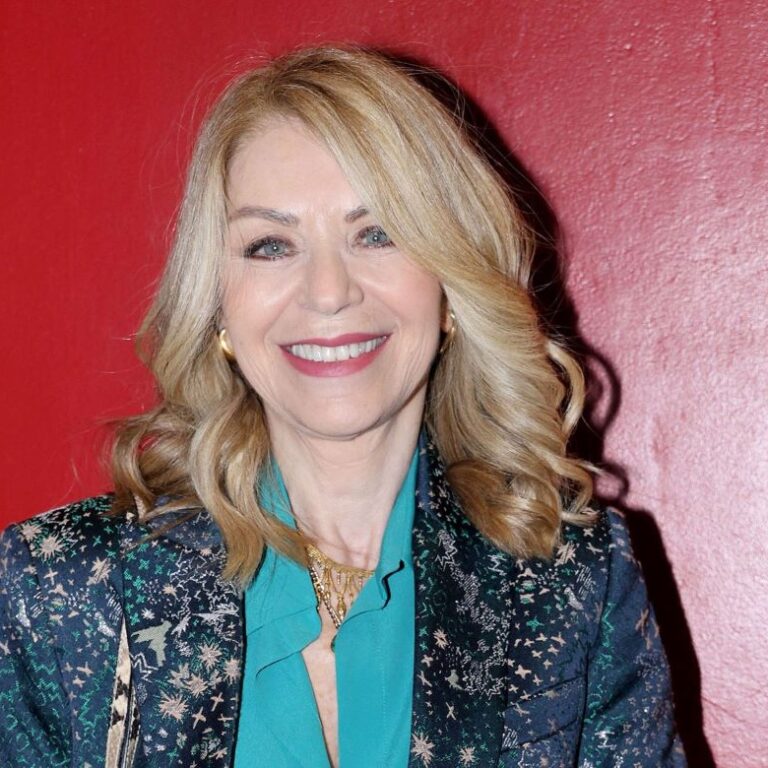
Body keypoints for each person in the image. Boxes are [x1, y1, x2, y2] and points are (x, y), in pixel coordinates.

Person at [0, 46, 685, 767]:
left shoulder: (572, 582)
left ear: (450, 288)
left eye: (377, 233)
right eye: (271, 245)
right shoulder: (61, 590)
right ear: (218, 304)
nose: (329, 292)